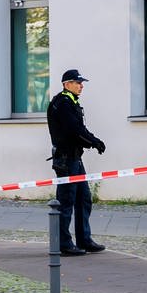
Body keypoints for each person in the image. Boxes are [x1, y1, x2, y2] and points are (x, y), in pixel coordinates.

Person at [46, 68, 106, 256]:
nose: (81, 86)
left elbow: (79, 129)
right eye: (77, 83)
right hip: (65, 159)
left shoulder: (71, 102)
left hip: (74, 158)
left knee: (83, 198)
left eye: (82, 83)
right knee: (66, 200)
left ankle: (84, 240)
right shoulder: (62, 103)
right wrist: (94, 141)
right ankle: (64, 243)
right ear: (66, 84)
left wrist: (92, 141)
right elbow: (75, 130)